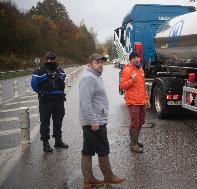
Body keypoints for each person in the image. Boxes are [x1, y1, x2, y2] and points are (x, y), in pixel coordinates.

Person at [79, 53, 126, 187]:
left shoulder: (94, 77)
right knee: (103, 148)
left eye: (101, 62)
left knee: (87, 150)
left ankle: (88, 180)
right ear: (90, 64)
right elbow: (85, 102)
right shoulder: (89, 78)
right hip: (94, 121)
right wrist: (93, 120)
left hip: (94, 120)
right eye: (97, 62)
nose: (100, 64)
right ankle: (108, 176)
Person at [31, 52, 68, 152]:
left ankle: (58, 141)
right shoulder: (39, 72)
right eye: (49, 59)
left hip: (58, 100)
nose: (51, 61)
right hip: (45, 101)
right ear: (45, 59)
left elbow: (63, 79)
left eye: (53, 59)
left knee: (58, 122)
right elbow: (34, 84)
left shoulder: (60, 71)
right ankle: (45, 143)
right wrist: (41, 92)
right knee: (45, 123)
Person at [120, 51, 149, 153]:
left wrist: (147, 98)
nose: (137, 59)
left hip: (142, 101)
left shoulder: (140, 69)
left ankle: (135, 141)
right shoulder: (127, 70)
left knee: (141, 121)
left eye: (138, 57)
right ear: (130, 59)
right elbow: (122, 86)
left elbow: (142, 86)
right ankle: (133, 145)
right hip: (133, 102)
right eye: (134, 58)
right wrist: (131, 80)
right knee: (135, 123)